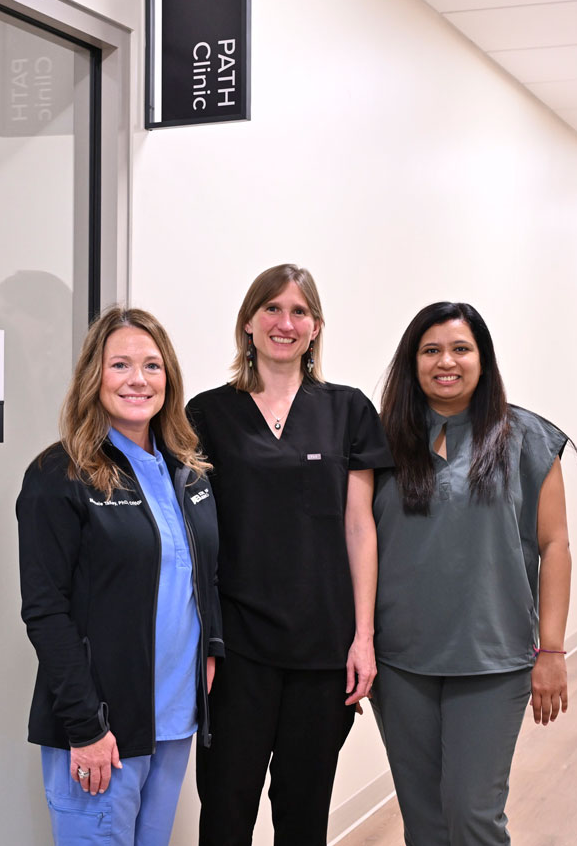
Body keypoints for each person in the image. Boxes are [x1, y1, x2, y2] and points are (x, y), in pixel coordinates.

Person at [188, 264, 392, 846]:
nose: (285, 322)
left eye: (299, 311)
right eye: (272, 309)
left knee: (303, 815)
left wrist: (363, 637)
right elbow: (193, 536)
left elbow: (360, 528)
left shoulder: (348, 410)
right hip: (236, 650)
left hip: (321, 649)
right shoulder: (206, 415)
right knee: (225, 811)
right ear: (248, 323)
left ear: (316, 327)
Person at [17, 306, 224, 846]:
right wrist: (85, 727)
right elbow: (45, 611)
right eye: (120, 365)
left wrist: (211, 650)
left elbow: (202, 575)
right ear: (95, 375)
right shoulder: (59, 475)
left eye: (152, 365)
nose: (138, 379)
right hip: (102, 727)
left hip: (173, 721)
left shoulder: (187, 470)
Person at [372, 302, 574, 846]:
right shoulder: (381, 440)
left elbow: (555, 546)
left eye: (461, 349)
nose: (446, 362)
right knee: (424, 821)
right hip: (401, 661)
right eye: (431, 350)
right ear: (412, 362)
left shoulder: (527, 438)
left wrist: (552, 650)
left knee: (472, 815)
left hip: (492, 657)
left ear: (483, 359)